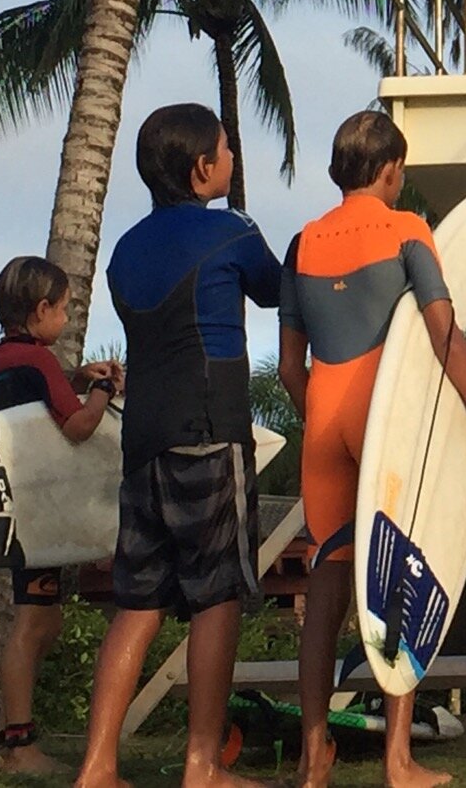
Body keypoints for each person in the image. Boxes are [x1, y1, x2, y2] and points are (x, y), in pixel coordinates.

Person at [277, 111, 466, 788]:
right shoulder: (407, 231)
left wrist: (325, 416)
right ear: (389, 171)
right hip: (389, 427)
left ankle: (313, 759)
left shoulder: (302, 243)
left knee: (325, 587)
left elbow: (292, 368)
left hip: (323, 427)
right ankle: (398, 760)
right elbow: (444, 337)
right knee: (398, 575)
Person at [74, 104, 284, 788]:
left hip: (143, 442)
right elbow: (278, 289)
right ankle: (203, 766)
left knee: (138, 602)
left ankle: (97, 767)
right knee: (217, 595)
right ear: (203, 168)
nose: (231, 158)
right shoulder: (231, 231)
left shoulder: (125, 251)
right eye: (226, 149)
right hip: (209, 432)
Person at [0, 255, 123, 774]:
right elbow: (79, 426)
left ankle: (17, 740)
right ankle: (18, 746)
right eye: (63, 310)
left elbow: (34, 397)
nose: (65, 319)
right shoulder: (39, 362)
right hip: (40, 515)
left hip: (24, 506)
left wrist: (75, 374)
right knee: (34, 625)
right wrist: (103, 390)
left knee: (45, 620)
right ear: (41, 308)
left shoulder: (0, 359)